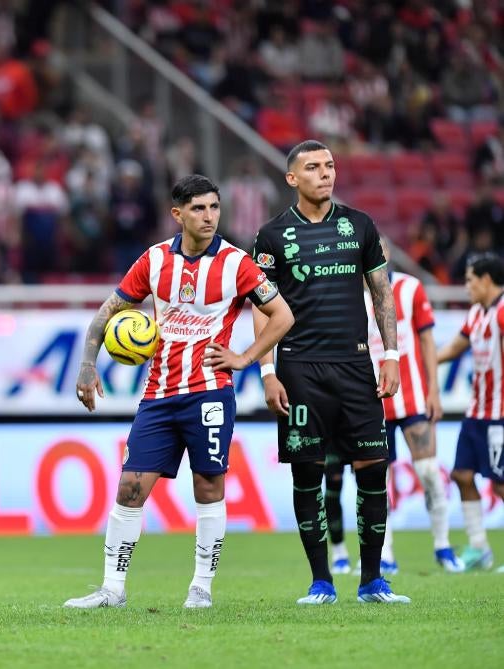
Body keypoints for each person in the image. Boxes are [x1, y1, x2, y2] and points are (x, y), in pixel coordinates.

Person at [64, 174, 294, 610]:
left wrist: (245, 359)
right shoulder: (153, 261)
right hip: (159, 394)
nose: (209, 217)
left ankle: (201, 587)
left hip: (209, 394)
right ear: (178, 214)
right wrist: (87, 364)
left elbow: (281, 315)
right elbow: (108, 312)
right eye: (198, 209)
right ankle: (112, 589)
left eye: (214, 207)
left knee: (208, 486)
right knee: (130, 487)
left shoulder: (237, 263)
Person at [252, 139, 410, 605]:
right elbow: (260, 307)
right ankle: (321, 581)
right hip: (299, 369)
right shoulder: (272, 235)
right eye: (314, 167)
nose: (326, 173)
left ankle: (372, 581)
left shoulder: (359, 226)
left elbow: (381, 294)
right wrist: (266, 369)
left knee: (372, 468)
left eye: (330, 166)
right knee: (308, 472)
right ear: (292, 178)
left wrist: (392, 356)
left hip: (356, 364)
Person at [324, 237, 464, 575]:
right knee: (376, 481)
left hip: (414, 396)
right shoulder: (347, 297)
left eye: (380, 249)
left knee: (430, 473)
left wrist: (433, 390)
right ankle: (384, 553)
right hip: (370, 403)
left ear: (387, 253)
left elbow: (428, 341)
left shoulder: (410, 288)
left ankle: (443, 547)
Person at [436, 253, 504, 572]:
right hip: (476, 412)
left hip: (499, 415)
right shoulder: (477, 313)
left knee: (501, 485)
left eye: (469, 280)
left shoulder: (503, 312)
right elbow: (454, 348)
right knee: (462, 475)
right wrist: (423, 364)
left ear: (486, 280)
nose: (466, 287)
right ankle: (479, 548)